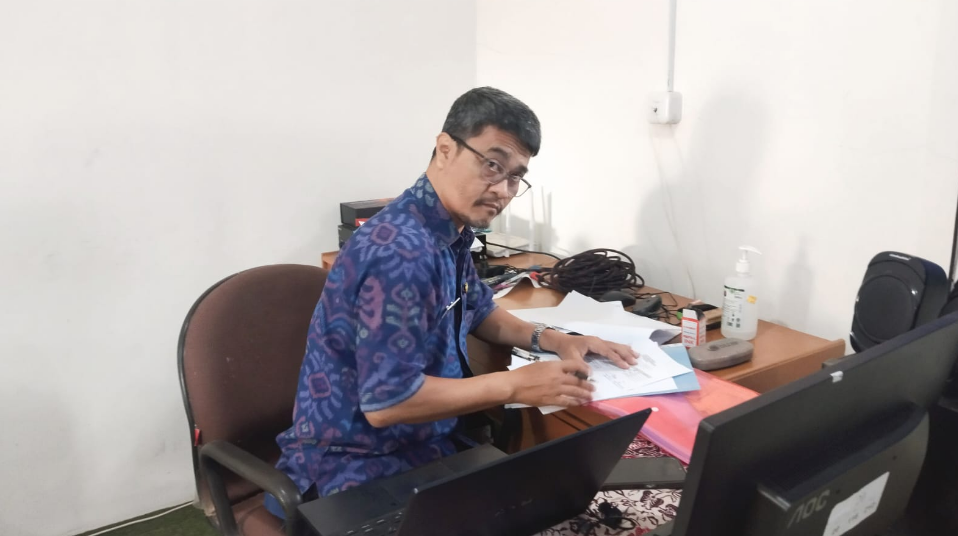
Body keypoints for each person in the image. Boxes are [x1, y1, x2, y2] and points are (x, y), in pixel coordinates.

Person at [265, 87, 637, 518]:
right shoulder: (400, 253)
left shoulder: (447, 230)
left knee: (552, 500)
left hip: (423, 446)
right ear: (445, 149)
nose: (503, 190)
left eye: (515, 176)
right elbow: (388, 403)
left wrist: (557, 339)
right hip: (353, 466)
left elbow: (481, 312)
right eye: (492, 165)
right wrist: (515, 385)